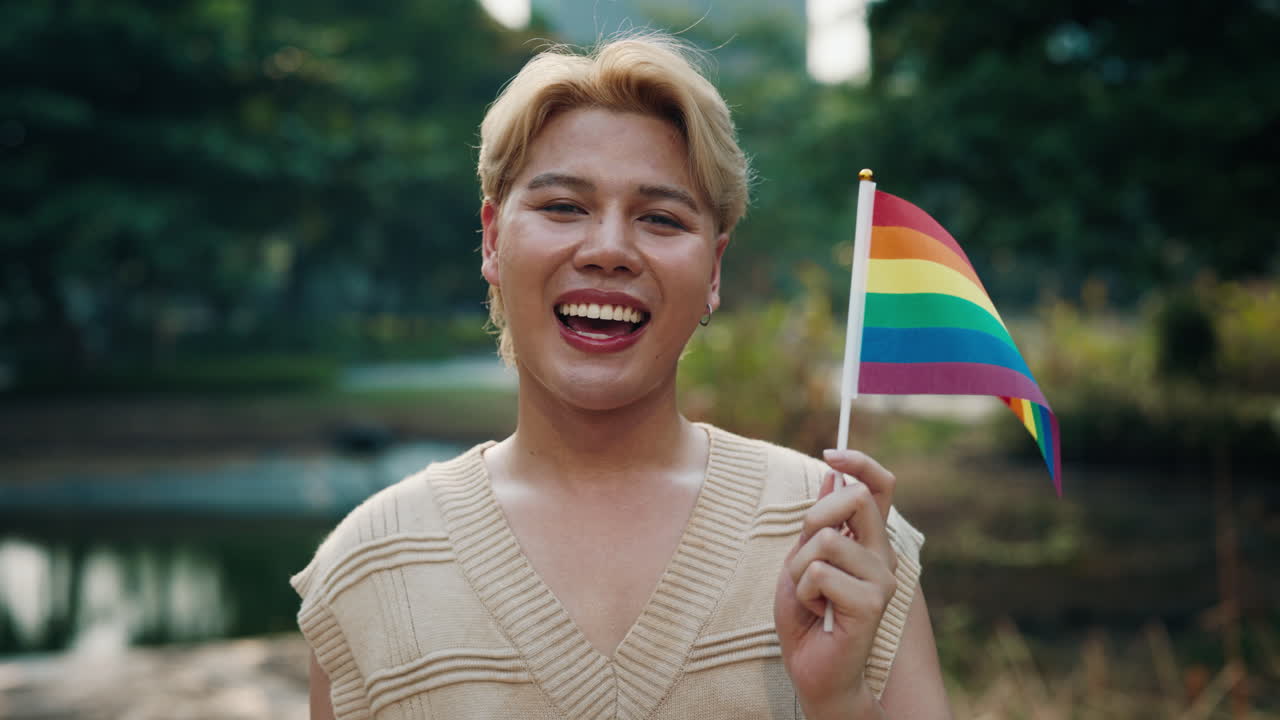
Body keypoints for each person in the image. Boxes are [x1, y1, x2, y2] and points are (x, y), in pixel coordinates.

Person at [293, 33, 951, 719]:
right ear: (492, 239)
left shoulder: (841, 545)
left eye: (660, 218)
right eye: (563, 207)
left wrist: (839, 701)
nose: (609, 250)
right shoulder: (368, 569)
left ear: (714, 269)